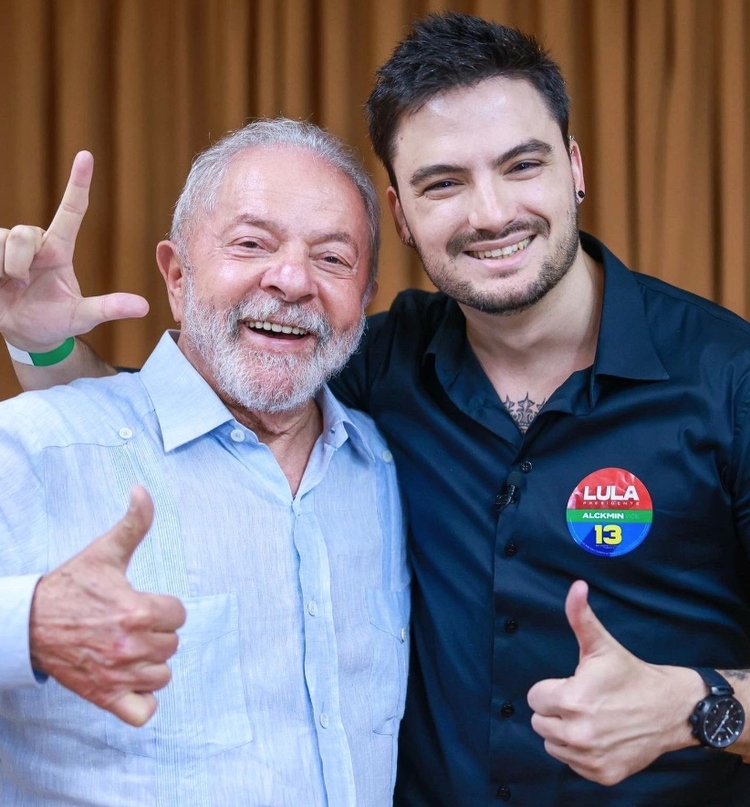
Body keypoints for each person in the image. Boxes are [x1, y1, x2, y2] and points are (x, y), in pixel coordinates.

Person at [3, 11, 750, 807]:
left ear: (573, 167)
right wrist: (44, 347)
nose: (491, 212)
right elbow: (175, 413)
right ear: (401, 214)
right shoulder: (371, 364)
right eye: (443, 183)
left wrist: (696, 707)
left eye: (521, 165)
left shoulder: (728, 379)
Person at [0, 118, 410, 807]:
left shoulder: (386, 469)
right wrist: (29, 622)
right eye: (251, 243)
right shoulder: (37, 446)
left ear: (364, 299)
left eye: (333, 258)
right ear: (177, 275)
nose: (292, 280)